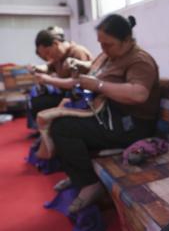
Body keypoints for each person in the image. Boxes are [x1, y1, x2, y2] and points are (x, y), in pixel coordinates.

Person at [48, 14, 161, 213]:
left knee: (63, 128)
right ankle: (79, 175)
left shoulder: (139, 60)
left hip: (132, 125)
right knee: (59, 118)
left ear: (126, 40)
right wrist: (82, 67)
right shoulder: (112, 55)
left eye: (107, 44)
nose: (103, 49)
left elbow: (139, 94)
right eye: (100, 44)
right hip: (110, 115)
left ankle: (90, 184)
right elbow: (97, 70)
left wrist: (98, 85)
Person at [29, 26, 93, 121]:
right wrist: (37, 68)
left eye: (48, 53)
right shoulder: (58, 56)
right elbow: (48, 67)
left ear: (55, 43)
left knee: (40, 103)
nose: (48, 58)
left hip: (81, 98)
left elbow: (77, 83)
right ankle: (44, 130)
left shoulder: (77, 52)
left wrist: (48, 80)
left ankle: (50, 130)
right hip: (67, 95)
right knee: (36, 100)